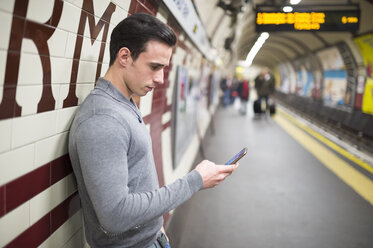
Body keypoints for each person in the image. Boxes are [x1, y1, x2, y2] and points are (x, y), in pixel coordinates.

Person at [68, 12, 238, 248]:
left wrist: (155, 228)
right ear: (125, 56)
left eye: (164, 68)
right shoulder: (103, 120)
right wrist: (195, 181)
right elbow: (115, 215)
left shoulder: (124, 102)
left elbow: (137, 178)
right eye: (154, 67)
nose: (160, 79)